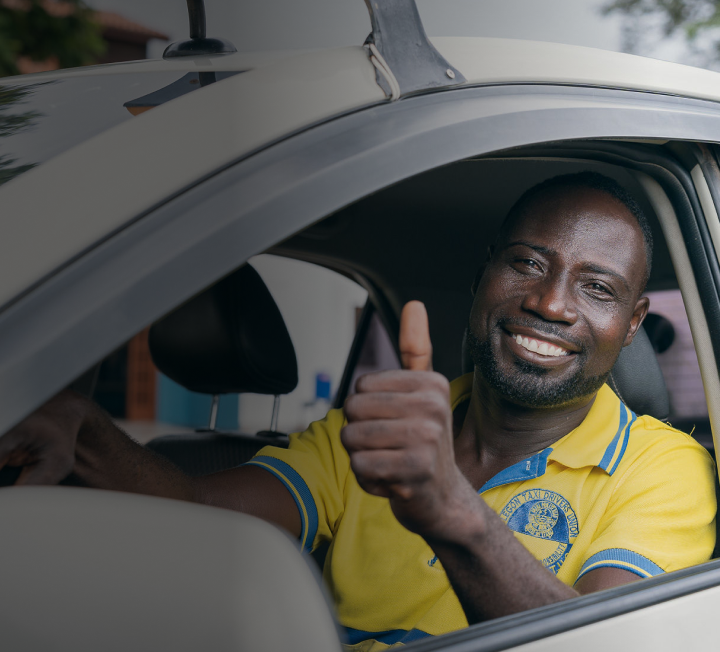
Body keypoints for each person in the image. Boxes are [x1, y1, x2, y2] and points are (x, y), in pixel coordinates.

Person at [0, 172, 715, 650]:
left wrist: (448, 509)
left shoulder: (666, 468)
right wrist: (83, 429)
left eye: (597, 288)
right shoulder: (373, 430)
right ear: (482, 279)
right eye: (528, 264)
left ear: (631, 323)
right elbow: (192, 509)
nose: (551, 303)